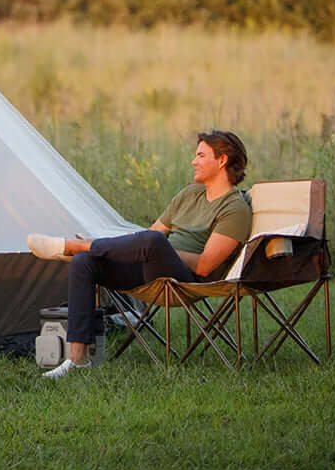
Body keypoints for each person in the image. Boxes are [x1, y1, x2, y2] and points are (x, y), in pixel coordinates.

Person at [27, 130, 251, 379]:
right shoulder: (189, 194)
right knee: (85, 263)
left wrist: (165, 251)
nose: (193, 161)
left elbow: (205, 266)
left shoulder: (235, 209)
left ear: (222, 160)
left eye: (200, 155)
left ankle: (76, 245)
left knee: (152, 241)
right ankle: (77, 360)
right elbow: (153, 233)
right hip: (152, 267)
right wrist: (144, 249)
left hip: (185, 280)